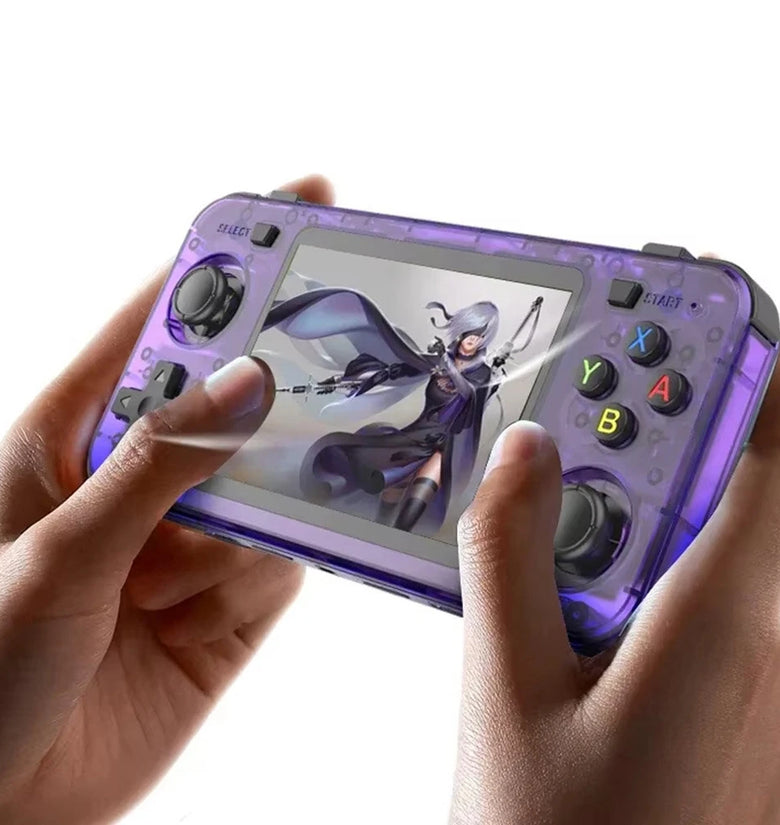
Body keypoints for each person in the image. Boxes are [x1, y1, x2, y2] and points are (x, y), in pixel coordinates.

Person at [0, 175, 778, 825]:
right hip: (397, 447)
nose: (469, 346)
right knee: (354, 466)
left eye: (477, 341)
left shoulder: (482, 374)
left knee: (427, 490)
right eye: (464, 337)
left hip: (439, 457)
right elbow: (392, 359)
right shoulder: (427, 359)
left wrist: (24, 794)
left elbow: (505, 359)